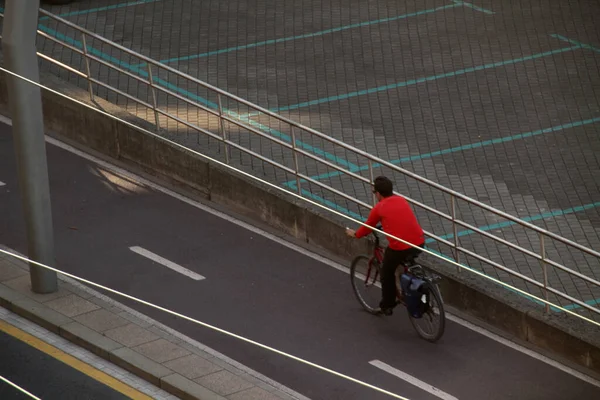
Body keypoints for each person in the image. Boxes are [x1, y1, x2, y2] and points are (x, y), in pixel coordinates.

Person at [346, 176, 425, 315]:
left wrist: (356, 234)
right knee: (406, 259)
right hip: (419, 242)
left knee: (386, 272)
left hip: (400, 248)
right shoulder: (401, 200)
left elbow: (368, 227)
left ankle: (388, 304)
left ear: (378, 193)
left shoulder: (379, 208)